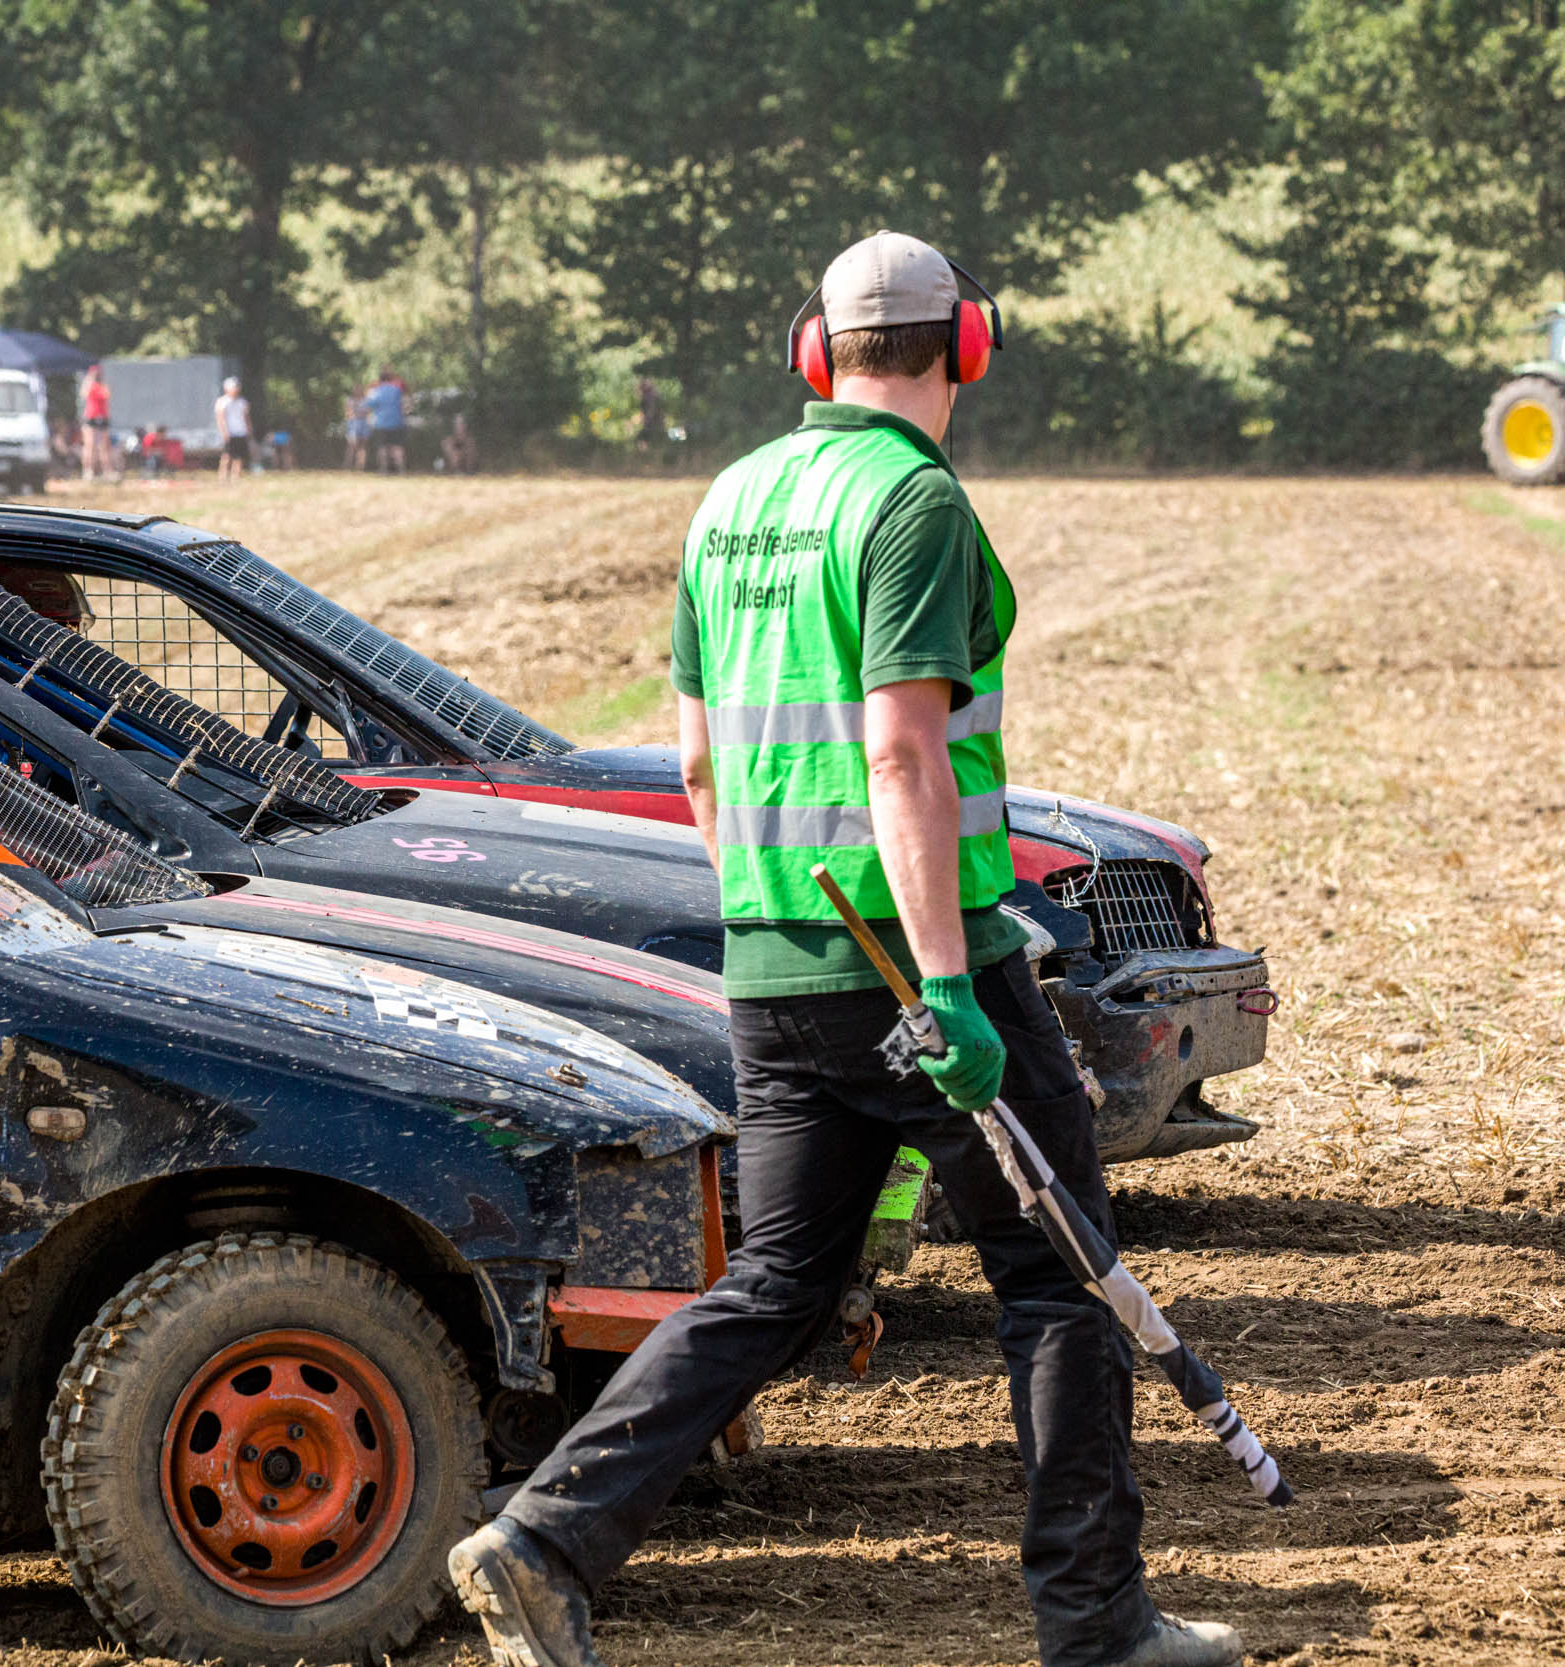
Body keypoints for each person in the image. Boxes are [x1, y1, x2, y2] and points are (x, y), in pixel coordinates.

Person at [448, 231, 1243, 1667]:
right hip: (926, 969)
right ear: (965, 346)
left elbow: (700, 766)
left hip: (774, 963)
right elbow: (901, 753)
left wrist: (773, 920)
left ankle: (545, 1535)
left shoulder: (733, 498)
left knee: (777, 1282)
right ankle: (1096, 1623)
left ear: (815, 352)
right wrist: (945, 984)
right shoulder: (913, 500)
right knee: (1057, 1279)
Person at [365, 369, 407, 474]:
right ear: (391, 379)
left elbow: (369, 404)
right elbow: (403, 404)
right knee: (397, 446)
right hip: (396, 421)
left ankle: (384, 469)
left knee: (382, 447)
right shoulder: (396, 390)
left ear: (380, 379)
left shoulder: (376, 391)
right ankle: (401, 469)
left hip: (381, 422)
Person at [78, 363, 113, 482]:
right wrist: (89, 378)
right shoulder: (89, 386)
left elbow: (107, 395)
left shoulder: (102, 386)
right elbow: (84, 394)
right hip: (91, 417)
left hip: (102, 417)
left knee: (104, 446)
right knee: (90, 444)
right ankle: (88, 470)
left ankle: (107, 470)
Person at [214, 376, 253, 480]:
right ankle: (222, 476)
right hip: (229, 432)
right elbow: (220, 418)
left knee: (239, 456)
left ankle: (236, 477)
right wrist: (224, 432)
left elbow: (246, 417)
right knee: (226, 455)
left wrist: (248, 429)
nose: (235, 389)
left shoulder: (242, 402)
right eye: (233, 387)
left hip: (240, 431)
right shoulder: (222, 402)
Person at [342, 391, 370, 472]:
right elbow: (348, 413)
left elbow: (368, 412)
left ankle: (360, 467)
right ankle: (347, 466)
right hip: (353, 424)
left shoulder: (366, 401)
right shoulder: (349, 400)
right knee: (351, 445)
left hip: (363, 425)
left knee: (361, 447)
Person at [636, 376, 666, 451]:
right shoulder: (651, 394)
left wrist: (646, 419)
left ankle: (646, 452)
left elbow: (651, 410)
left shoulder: (650, 396)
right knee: (647, 438)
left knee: (643, 437)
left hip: (653, 422)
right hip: (655, 422)